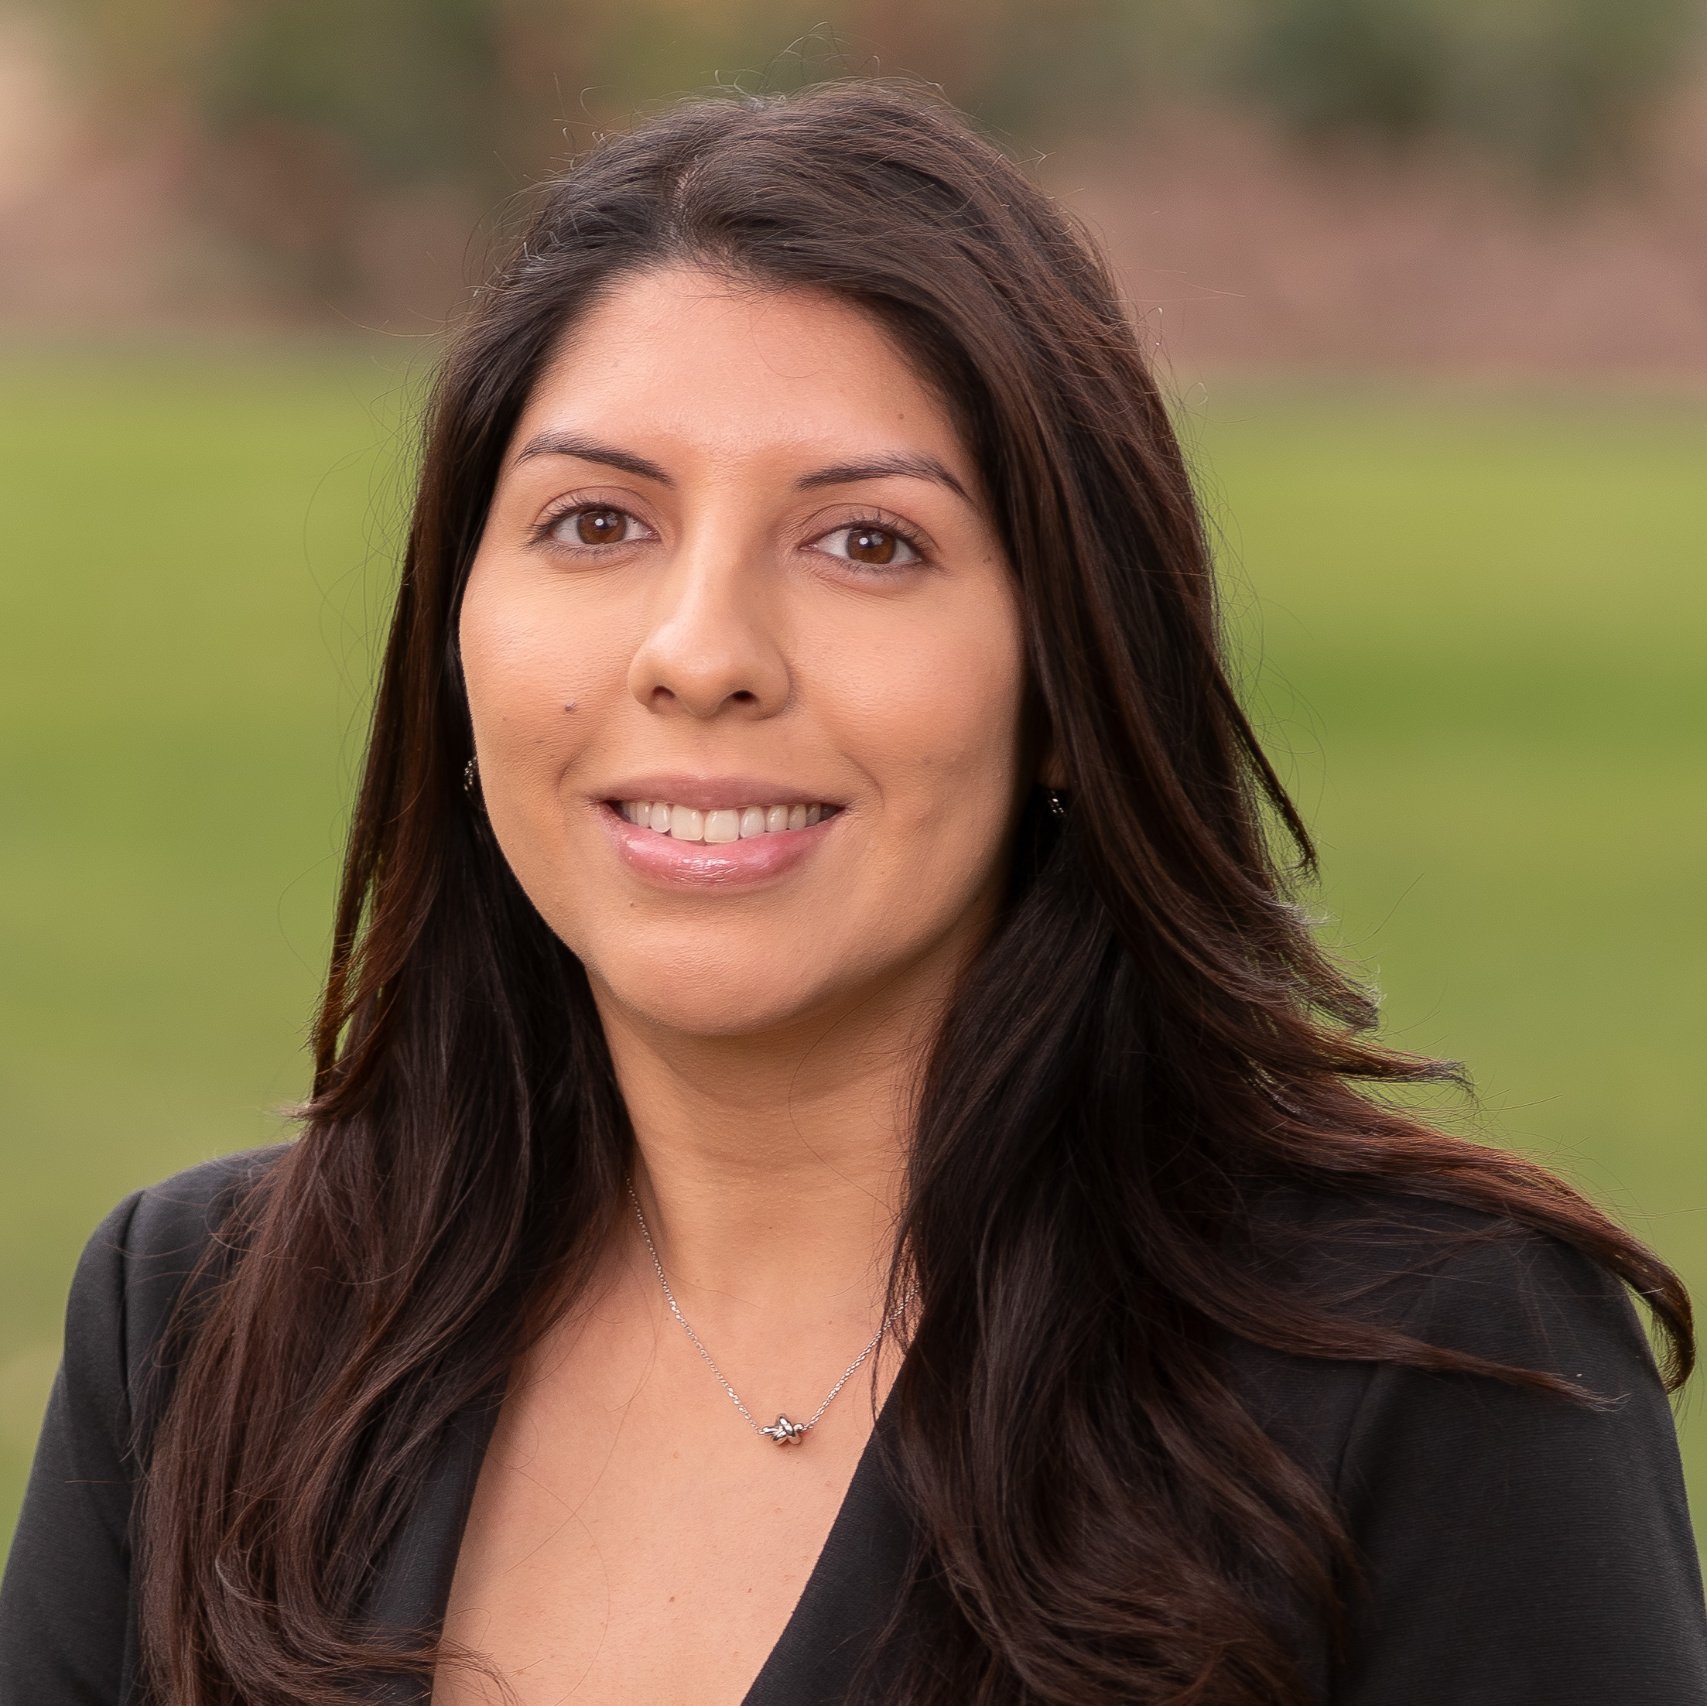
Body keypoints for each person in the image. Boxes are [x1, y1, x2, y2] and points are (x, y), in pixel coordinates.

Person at [2, 77, 1704, 1706]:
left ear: (1066, 682)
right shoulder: (205, 1321)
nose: (701, 654)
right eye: (596, 523)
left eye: (867, 542)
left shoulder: (1431, 1363)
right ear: (460, 635)